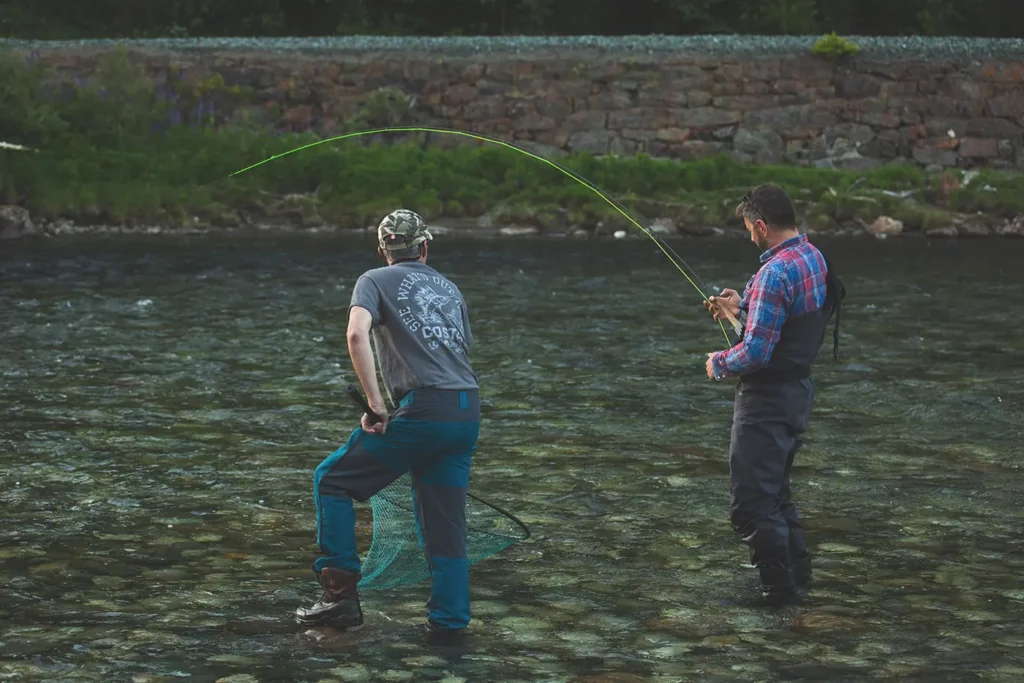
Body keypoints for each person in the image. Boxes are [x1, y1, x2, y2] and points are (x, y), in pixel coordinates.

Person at [295, 209, 480, 636]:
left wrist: (377, 405)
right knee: (444, 524)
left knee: (332, 481)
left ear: (383, 251)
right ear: (425, 248)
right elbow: (457, 351)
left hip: (426, 411)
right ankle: (449, 625)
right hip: (467, 410)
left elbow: (357, 334)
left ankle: (338, 601)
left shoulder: (373, 279)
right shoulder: (450, 289)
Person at [703, 183, 845, 607]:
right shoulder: (812, 257)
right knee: (776, 493)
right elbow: (785, 319)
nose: (749, 237)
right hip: (797, 391)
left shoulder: (774, 272)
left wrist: (719, 363)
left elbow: (757, 352)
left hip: (765, 402)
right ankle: (800, 583)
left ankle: (778, 600)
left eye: (749, 229)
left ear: (762, 226)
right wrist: (741, 306)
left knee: (750, 504)